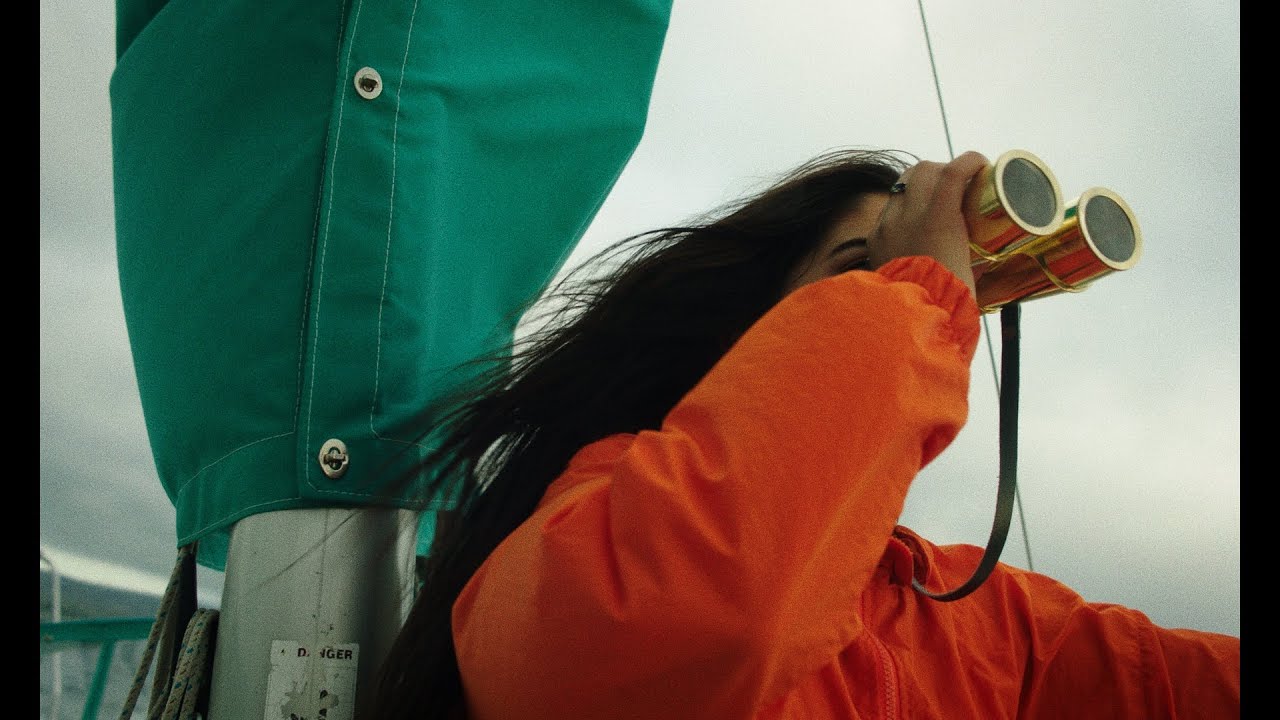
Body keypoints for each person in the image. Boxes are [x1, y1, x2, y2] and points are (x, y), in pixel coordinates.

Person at [359, 149, 1240, 719]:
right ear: (741, 328)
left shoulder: (981, 619)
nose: (915, 301)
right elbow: (694, 622)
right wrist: (916, 290)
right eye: (858, 273)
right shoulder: (588, 525)